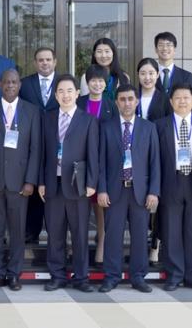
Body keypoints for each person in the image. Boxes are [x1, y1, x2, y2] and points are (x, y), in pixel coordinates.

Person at [97, 84, 160, 293]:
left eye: (130, 99)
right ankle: (111, 276)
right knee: (113, 235)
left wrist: (153, 191)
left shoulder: (148, 128)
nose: (126, 103)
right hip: (115, 191)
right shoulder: (106, 127)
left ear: (137, 101)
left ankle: (138, 276)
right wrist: (102, 189)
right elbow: (101, 163)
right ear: (116, 102)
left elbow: (155, 163)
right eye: (122, 99)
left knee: (140, 236)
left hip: (140, 192)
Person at [0, 70, 41, 291]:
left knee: (17, 232)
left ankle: (14, 274)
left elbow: (36, 149)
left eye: (14, 82)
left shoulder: (32, 112)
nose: (10, 85)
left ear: (19, 85)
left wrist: (30, 181)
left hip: (20, 184)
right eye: (6, 82)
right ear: (0, 84)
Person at [39, 74, 98, 293]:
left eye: (69, 91)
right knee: (55, 233)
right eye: (61, 91)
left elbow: (93, 153)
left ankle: (81, 277)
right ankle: (57, 275)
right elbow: (42, 153)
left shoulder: (88, 120)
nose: (65, 95)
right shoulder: (47, 118)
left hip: (78, 184)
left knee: (80, 233)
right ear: (55, 95)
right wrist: (41, 182)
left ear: (77, 94)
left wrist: (92, 182)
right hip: (53, 184)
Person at [77, 64, 118, 266]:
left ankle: (101, 243)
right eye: (93, 80)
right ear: (87, 82)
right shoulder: (78, 102)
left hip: (104, 162)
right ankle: (80, 250)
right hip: (80, 162)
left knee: (100, 207)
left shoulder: (112, 105)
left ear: (106, 83)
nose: (97, 84)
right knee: (81, 206)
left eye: (101, 80)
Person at [19, 47, 59, 245]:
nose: (44, 63)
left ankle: (55, 232)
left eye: (48, 59)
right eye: (41, 60)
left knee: (54, 185)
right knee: (34, 184)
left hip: (57, 140)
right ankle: (31, 231)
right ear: (35, 63)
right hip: (31, 140)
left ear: (55, 62)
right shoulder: (25, 84)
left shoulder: (63, 83)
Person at [156, 83, 192, 291]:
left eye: (186, 97)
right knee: (172, 230)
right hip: (171, 181)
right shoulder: (160, 125)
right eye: (178, 98)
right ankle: (175, 275)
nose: (182, 101)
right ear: (171, 102)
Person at [136, 58, 169, 265]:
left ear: (157, 75)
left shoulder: (165, 99)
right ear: (138, 75)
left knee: (159, 201)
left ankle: (155, 245)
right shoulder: (132, 97)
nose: (147, 77)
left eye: (151, 73)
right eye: (143, 73)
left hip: (159, 154)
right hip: (134, 157)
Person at [153, 31, 192, 95]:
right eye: (161, 45)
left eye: (168, 45)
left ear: (174, 49)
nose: (165, 48)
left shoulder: (187, 76)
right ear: (156, 50)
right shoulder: (149, 75)